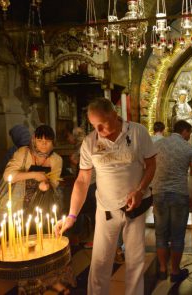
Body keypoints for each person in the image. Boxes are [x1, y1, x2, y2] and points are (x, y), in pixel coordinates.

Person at [56, 98, 156, 294]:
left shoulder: (137, 132)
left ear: (115, 115)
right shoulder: (90, 142)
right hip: (106, 210)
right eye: (94, 125)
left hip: (135, 207)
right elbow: (83, 181)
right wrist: (71, 216)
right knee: (100, 261)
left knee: (135, 260)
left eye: (102, 124)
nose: (98, 130)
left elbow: (151, 165)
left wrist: (140, 190)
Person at [151, 120, 192, 282]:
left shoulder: (158, 145)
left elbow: (149, 167)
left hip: (159, 193)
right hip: (179, 194)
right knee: (178, 235)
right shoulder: (188, 148)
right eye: (189, 132)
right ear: (184, 131)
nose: (190, 135)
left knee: (161, 234)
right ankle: (175, 271)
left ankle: (163, 269)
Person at [4, 125, 62, 213]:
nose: (44, 144)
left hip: (43, 204)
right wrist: (35, 175)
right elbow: (7, 175)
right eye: (40, 140)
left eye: (48, 141)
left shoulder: (56, 159)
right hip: (19, 204)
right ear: (34, 140)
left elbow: (54, 183)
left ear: (53, 142)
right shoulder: (23, 153)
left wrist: (47, 185)